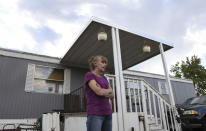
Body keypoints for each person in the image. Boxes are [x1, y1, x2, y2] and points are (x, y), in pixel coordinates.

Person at [84, 55, 114, 131]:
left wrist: (102, 89)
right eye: (102, 62)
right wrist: (106, 91)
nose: (105, 64)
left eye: (105, 63)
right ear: (95, 64)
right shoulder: (89, 75)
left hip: (108, 113)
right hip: (95, 114)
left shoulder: (104, 78)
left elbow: (113, 94)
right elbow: (99, 92)